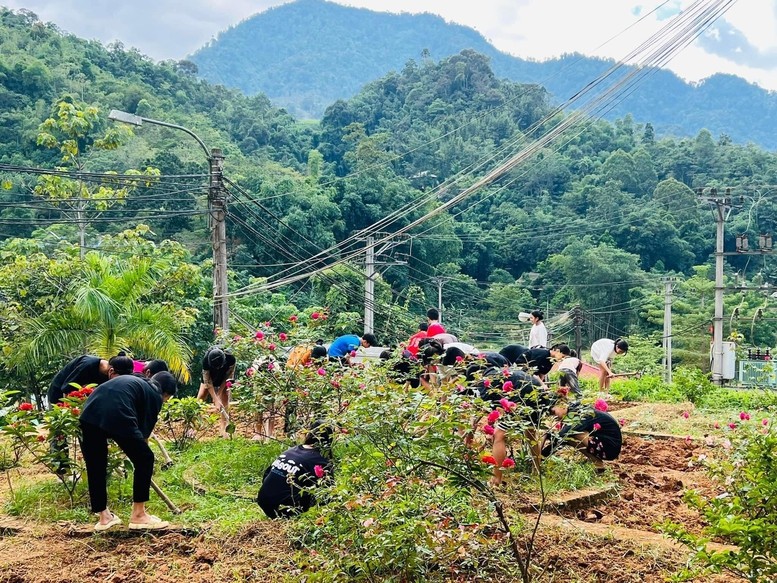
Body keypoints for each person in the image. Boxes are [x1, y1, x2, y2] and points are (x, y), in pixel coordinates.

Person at [79, 371, 178, 531]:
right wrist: (140, 461)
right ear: (166, 393)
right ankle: (139, 515)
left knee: (95, 465)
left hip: (88, 412)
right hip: (117, 411)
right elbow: (143, 440)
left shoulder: (137, 381)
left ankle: (104, 517)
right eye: (167, 399)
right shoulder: (154, 395)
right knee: (145, 458)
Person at [47, 353, 130, 475]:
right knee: (60, 433)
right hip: (60, 398)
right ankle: (62, 472)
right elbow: (66, 389)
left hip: (82, 402)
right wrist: (70, 413)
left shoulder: (108, 375)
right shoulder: (87, 365)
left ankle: (98, 468)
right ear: (111, 371)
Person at [256, 420, 334, 518]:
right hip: (284, 509)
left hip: (263, 501)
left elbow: (266, 475)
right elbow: (328, 492)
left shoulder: (292, 450)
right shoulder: (320, 460)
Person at [541, 403, 623, 473]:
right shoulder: (578, 410)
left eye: (553, 412)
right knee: (569, 436)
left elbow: (562, 437)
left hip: (609, 448)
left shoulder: (579, 415)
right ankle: (597, 463)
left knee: (571, 434)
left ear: (562, 405)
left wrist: (541, 456)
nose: (555, 417)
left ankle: (597, 462)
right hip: (607, 445)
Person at [197, 346, 237, 437]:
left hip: (225, 375)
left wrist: (219, 393)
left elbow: (228, 376)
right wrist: (215, 398)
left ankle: (224, 427)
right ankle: (193, 422)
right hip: (210, 376)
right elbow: (208, 382)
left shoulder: (231, 358)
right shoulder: (206, 361)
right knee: (202, 395)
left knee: (225, 394)